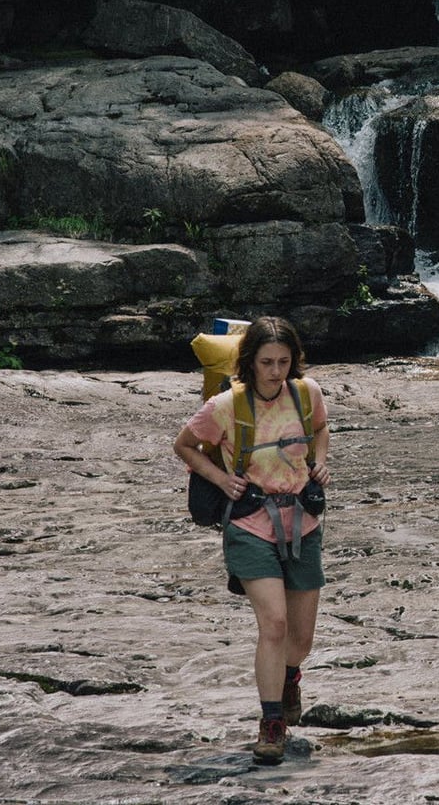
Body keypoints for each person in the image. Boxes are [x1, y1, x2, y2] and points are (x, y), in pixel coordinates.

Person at [172, 316, 332, 765]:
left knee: (299, 640)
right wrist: (221, 480)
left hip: (302, 523)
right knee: (275, 625)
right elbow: (183, 445)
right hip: (249, 525)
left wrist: (320, 462)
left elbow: (319, 429)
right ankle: (271, 723)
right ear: (249, 362)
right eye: (267, 362)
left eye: (284, 362)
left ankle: (290, 678)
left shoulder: (307, 394)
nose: (276, 372)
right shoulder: (225, 406)